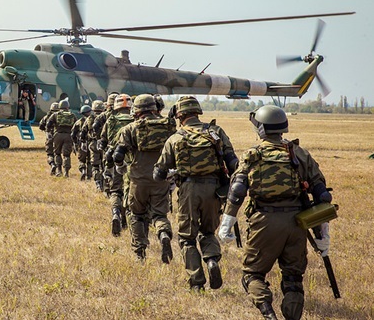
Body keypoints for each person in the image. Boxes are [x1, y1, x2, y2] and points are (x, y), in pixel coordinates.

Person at [217, 105, 332, 320]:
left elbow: (237, 191)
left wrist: (227, 221)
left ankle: (269, 314)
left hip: (264, 222)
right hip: (298, 222)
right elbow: (322, 195)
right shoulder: (300, 153)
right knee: (293, 278)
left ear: (261, 128)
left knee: (252, 274)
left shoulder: (253, 155)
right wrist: (322, 234)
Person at [154, 96, 238, 292]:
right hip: (214, 190)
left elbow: (158, 173)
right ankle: (211, 261)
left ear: (179, 115)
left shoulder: (175, 138)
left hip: (188, 191)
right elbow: (233, 162)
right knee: (208, 232)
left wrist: (170, 174)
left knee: (187, 238)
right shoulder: (216, 132)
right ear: (197, 112)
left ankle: (197, 282)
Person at [114, 94, 176, 262]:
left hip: (138, 180)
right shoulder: (168, 127)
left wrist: (121, 169)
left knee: (136, 215)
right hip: (161, 179)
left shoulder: (130, 129)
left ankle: (139, 252)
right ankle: (163, 234)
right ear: (154, 108)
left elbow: (117, 155)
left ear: (137, 109)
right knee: (159, 215)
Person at [100, 94, 134, 236]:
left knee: (115, 191)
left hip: (113, 159)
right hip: (131, 161)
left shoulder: (111, 120)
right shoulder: (135, 120)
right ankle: (126, 220)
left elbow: (103, 141)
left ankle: (115, 213)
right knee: (128, 190)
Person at [46, 99, 77, 177]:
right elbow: (76, 126)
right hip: (68, 136)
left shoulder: (55, 114)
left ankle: (59, 171)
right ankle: (66, 172)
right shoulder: (72, 115)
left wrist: (49, 132)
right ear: (67, 107)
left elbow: (48, 124)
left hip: (58, 135)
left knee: (57, 153)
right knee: (66, 155)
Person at [80, 100, 106, 191]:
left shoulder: (90, 118)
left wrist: (83, 142)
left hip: (93, 143)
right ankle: (104, 183)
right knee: (104, 165)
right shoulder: (106, 116)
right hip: (104, 143)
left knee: (95, 165)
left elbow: (83, 131)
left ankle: (98, 183)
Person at [72, 105, 92, 181]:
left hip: (82, 143)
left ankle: (83, 171)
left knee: (82, 160)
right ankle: (89, 176)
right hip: (91, 143)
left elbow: (73, 134)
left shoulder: (78, 122)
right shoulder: (93, 120)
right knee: (90, 160)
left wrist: (75, 143)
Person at [40, 102, 59, 175]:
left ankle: (52, 164)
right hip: (58, 137)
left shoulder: (46, 117)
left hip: (49, 137)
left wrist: (46, 130)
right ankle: (59, 169)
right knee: (58, 153)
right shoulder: (59, 116)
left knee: (50, 154)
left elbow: (41, 125)